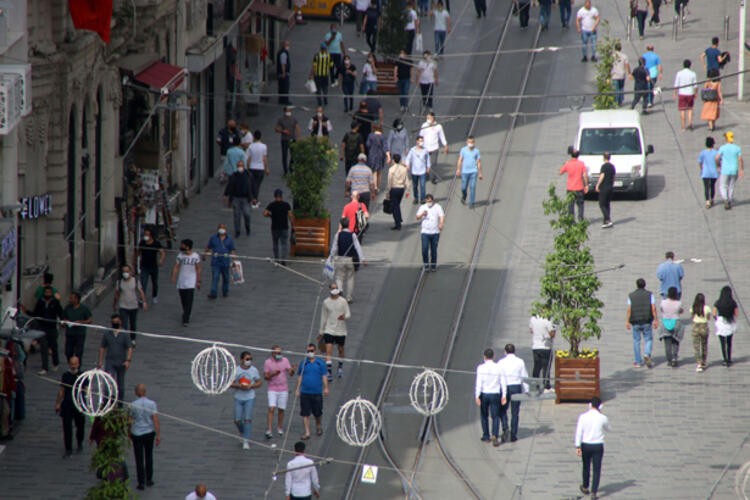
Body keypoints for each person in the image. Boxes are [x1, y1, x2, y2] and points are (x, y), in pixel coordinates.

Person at [575, 396, 611, 500]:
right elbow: (609, 428)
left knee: (586, 466)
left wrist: (577, 446)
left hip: (585, 444)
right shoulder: (602, 417)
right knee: (597, 468)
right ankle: (594, 492)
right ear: (600, 406)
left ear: (590, 405)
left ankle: (585, 486)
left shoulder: (583, 417)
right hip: (598, 445)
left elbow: (579, 432)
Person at [97, 314, 133, 406]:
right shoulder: (107, 333)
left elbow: (129, 348)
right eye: (113, 322)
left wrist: (128, 360)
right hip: (110, 361)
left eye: (117, 322)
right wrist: (100, 361)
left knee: (120, 384)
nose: (115, 324)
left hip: (121, 362)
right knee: (108, 382)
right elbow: (102, 347)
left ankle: (120, 403)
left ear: (120, 322)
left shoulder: (125, 334)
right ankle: (107, 402)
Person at [130, 384, 160, 490]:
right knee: (149, 455)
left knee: (139, 458)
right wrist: (158, 435)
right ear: (145, 392)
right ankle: (149, 479)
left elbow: (129, 420)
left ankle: (141, 482)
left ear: (137, 393)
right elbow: (155, 419)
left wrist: (128, 432)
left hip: (137, 433)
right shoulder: (152, 404)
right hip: (149, 432)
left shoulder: (133, 405)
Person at [496, 343, 529, 443]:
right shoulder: (520, 361)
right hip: (516, 387)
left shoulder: (500, 362)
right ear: (514, 351)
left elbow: (497, 376)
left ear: (505, 352)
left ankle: (505, 427)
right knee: (515, 412)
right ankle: (513, 435)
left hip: (505, 387)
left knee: (502, 409)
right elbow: (525, 377)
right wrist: (526, 390)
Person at [296, 343, 329, 440]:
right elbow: (300, 376)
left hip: (317, 392)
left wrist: (326, 387)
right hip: (305, 392)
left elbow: (324, 376)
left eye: (312, 351)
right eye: (308, 351)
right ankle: (307, 432)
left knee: (317, 412)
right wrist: (298, 389)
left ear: (315, 351)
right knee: (305, 413)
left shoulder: (320, 363)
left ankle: (318, 425)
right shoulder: (303, 363)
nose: (310, 353)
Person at [319, 283, 351, 381]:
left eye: (336, 288)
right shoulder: (326, 302)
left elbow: (348, 313)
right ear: (329, 289)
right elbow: (323, 317)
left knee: (340, 350)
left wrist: (344, 317)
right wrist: (321, 331)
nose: (334, 290)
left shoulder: (343, 301)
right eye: (333, 288)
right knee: (329, 351)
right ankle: (329, 372)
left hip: (340, 330)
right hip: (329, 329)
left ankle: (340, 366)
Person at [475, 348, 506, 447]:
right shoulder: (499, 367)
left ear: (484, 357)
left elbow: (478, 383)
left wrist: (477, 396)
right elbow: (503, 382)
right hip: (495, 394)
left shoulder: (480, 368)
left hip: (484, 394)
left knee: (484, 415)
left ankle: (486, 435)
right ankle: (495, 435)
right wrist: (504, 395)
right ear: (493, 356)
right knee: (495, 416)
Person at [55, 356, 85, 458]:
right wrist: (58, 403)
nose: (73, 366)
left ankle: (79, 442)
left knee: (80, 426)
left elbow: (87, 391)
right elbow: (62, 390)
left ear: (78, 364)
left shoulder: (82, 376)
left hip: (79, 405)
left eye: (75, 364)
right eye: (71, 364)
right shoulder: (65, 375)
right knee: (67, 428)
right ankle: (68, 448)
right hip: (67, 404)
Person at [330, 217, 365, 303]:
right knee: (350, 278)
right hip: (350, 260)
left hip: (340, 259)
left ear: (341, 225)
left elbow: (334, 248)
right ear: (348, 225)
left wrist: (331, 257)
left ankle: (340, 289)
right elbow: (358, 247)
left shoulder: (337, 235)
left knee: (339, 276)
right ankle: (348, 297)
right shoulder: (353, 235)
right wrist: (362, 259)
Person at [231, 351, 262, 449]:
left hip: (249, 397)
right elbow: (230, 383)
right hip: (238, 397)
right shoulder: (236, 370)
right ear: (241, 360)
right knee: (237, 420)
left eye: (250, 359)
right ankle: (242, 431)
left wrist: (251, 386)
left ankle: (246, 440)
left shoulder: (254, 370)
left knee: (247, 419)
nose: (249, 361)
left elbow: (259, 382)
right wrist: (239, 385)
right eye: (247, 359)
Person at [264, 345, 295, 439]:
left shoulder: (285, 360)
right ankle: (269, 429)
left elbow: (290, 373)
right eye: (277, 353)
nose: (279, 354)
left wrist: (292, 370)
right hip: (272, 389)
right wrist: (273, 374)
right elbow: (265, 377)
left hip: (283, 389)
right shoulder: (268, 362)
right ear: (272, 353)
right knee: (271, 408)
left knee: (281, 409)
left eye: (280, 353)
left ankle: (279, 427)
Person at [30, 285, 64, 375]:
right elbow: (35, 314)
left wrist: (62, 321)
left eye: (49, 292)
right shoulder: (40, 302)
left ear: (51, 293)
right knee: (44, 347)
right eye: (46, 292)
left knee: (53, 346)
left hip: (52, 327)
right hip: (42, 327)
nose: (47, 294)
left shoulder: (55, 302)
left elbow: (60, 313)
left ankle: (55, 363)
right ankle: (44, 367)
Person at [626, 278, 658, 368]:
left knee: (636, 341)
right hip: (647, 320)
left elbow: (629, 310)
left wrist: (627, 322)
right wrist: (656, 320)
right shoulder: (650, 295)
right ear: (645, 285)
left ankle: (638, 361)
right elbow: (653, 308)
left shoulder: (631, 295)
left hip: (635, 321)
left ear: (637, 285)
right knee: (648, 339)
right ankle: (647, 353)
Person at [113, 264, 148, 343]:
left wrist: (144, 302)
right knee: (124, 324)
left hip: (133, 306)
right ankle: (125, 339)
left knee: (133, 324)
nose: (125, 273)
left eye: (127, 271)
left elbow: (140, 292)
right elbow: (116, 294)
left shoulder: (135, 281)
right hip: (123, 306)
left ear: (130, 272)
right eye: (124, 271)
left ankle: (132, 339)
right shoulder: (119, 282)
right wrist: (114, 304)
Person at [171, 239, 201, 326]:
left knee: (189, 300)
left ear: (187, 247)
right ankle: (186, 312)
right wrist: (174, 276)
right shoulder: (180, 256)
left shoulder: (195, 256)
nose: (181, 247)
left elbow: (198, 268)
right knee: (183, 299)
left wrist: (198, 280)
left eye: (183, 245)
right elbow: (176, 267)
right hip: (182, 280)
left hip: (191, 281)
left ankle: (185, 318)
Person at [204, 224, 236, 299]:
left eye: (223, 228)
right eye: (220, 228)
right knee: (215, 277)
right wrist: (204, 255)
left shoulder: (229, 239)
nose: (221, 229)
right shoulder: (213, 238)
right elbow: (208, 247)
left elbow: (232, 250)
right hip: (216, 261)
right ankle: (213, 293)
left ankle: (225, 291)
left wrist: (235, 260)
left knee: (226, 277)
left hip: (225, 262)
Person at [264, 189, 293, 266]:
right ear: (281, 196)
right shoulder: (286, 205)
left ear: (274, 196)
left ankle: (277, 259)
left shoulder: (272, 205)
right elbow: (290, 216)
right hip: (284, 227)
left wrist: (270, 215)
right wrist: (293, 224)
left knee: (275, 244)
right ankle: (283, 259)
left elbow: (265, 213)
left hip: (275, 227)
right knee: (284, 244)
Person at [223, 159, 252, 237]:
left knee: (247, 214)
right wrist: (226, 195)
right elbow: (229, 186)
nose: (240, 167)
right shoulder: (234, 175)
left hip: (245, 198)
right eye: (239, 166)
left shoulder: (248, 175)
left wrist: (254, 197)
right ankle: (237, 231)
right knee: (236, 215)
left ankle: (247, 227)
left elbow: (252, 186)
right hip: (236, 198)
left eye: (241, 166)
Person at [715, 131, 744, 209]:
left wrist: (718, 165)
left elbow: (717, 157)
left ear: (726, 138)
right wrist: (741, 169)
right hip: (734, 169)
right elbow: (740, 159)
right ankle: (730, 199)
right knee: (731, 186)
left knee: (722, 186)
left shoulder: (723, 147)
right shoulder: (737, 148)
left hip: (725, 170)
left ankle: (726, 199)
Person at [137, 227, 165, 305]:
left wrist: (161, 260)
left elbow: (162, 252)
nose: (145, 236)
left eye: (147, 234)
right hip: (144, 266)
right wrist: (134, 262)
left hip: (154, 267)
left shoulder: (156, 243)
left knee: (155, 283)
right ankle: (142, 298)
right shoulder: (142, 243)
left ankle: (154, 296)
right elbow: (138, 252)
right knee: (143, 283)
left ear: (151, 236)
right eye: (144, 234)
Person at [416, 194, 444, 272]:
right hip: (425, 232)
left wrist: (441, 223)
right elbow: (417, 217)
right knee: (424, 249)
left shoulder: (438, 207)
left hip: (435, 233)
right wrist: (422, 214)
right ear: (425, 200)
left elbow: (441, 215)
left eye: (430, 201)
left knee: (434, 250)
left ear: (433, 200)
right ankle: (426, 264)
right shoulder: (423, 207)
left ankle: (433, 265)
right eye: (428, 201)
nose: (429, 202)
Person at [62, 291, 93, 363]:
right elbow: (64, 318)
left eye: (71, 298)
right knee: (68, 352)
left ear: (76, 299)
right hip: (70, 333)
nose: (70, 300)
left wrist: (81, 322)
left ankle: (77, 366)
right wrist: (65, 322)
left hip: (80, 333)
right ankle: (71, 363)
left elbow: (90, 320)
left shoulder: (84, 308)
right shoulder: (67, 308)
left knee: (79, 352)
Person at [559, 148, 589, 222]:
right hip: (579, 187)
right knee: (580, 205)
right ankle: (581, 219)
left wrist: (565, 164)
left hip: (570, 188)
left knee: (570, 205)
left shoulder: (568, 163)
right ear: (578, 156)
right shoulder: (581, 164)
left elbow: (560, 172)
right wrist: (586, 185)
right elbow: (585, 175)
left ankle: (572, 221)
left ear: (571, 155)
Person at [529, 315, 555, 393]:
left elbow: (531, 330)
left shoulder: (533, 319)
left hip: (536, 346)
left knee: (537, 366)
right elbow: (552, 334)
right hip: (545, 347)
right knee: (546, 367)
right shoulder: (547, 320)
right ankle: (546, 386)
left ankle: (535, 384)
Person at [713, 285, 738, 367]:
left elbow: (714, 313)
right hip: (730, 322)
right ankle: (729, 359)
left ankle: (724, 359)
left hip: (721, 323)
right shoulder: (733, 302)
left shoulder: (718, 302)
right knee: (729, 342)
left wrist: (716, 319)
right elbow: (736, 314)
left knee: (722, 343)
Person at [659, 286, 684, 368]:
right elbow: (680, 311)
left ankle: (669, 360)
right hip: (676, 323)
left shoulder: (663, 302)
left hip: (665, 322)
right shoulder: (678, 303)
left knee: (667, 343)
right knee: (676, 342)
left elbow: (661, 310)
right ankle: (674, 358)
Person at [386, 153, 412, 230]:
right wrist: (408, 190)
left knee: (395, 206)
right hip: (401, 189)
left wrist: (388, 192)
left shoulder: (391, 169)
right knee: (396, 205)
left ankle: (398, 222)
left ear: (393, 160)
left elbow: (389, 182)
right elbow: (406, 180)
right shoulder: (404, 169)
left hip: (394, 189)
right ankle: (398, 220)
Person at [420, 112, 448, 184]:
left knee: (433, 164)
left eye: (429, 118)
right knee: (425, 164)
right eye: (427, 118)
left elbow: (442, 136)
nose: (428, 119)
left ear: (433, 118)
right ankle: (425, 175)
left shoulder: (438, 126)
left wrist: (445, 145)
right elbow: (420, 136)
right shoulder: (424, 125)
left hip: (434, 148)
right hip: (425, 148)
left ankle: (433, 178)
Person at [456, 136, 482, 208]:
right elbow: (460, 160)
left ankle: (472, 202)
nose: (471, 143)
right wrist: (458, 169)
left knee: (472, 187)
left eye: (472, 142)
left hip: (474, 172)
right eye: (469, 142)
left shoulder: (477, 151)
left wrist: (480, 173)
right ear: (467, 142)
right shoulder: (463, 150)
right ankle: (464, 195)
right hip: (465, 172)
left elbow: (479, 162)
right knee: (463, 187)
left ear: (474, 142)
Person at [275, 106, 301, 176]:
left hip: (292, 139)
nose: (289, 112)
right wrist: (282, 131)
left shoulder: (294, 119)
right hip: (284, 139)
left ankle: (291, 168)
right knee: (284, 155)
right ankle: (285, 170)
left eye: (290, 111)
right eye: (287, 111)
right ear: (284, 111)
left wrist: (298, 137)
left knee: (293, 155)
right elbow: (276, 129)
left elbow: (297, 127)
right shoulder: (281, 119)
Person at [673, 59, 698, 131]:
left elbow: (676, 84)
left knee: (682, 110)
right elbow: (695, 85)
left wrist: (675, 93)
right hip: (690, 93)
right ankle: (690, 123)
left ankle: (683, 126)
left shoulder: (679, 73)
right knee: (690, 109)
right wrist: (695, 93)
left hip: (682, 93)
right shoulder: (693, 73)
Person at [405, 136, 431, 203]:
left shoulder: (425, 150)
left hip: (422, 171)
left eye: (422, 141)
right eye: (420, 141)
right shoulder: (412, 150)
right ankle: (416, 198)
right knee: (415, 186)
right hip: (414, 172)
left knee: (422, 185)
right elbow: (408, 158)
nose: (421, 142)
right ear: (417, 141)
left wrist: (428, 167)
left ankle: (422, 199)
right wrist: (407, 165)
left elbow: (428, 159)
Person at [690, 293, 711, 372]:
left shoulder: (693, 307)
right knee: (704, 345)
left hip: (696, 327)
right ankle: (704, 361)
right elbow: (708, 318)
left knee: (696, 346)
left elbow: (692, 316)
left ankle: (699, 363)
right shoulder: (707, 308)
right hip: (704, 327)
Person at [595, 152, 615, 228]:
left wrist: (597, 185)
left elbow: (602, 176)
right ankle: (605, 222)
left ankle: (608, 219)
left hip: (604, 187)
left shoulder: (604, 166)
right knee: (607, 204)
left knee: (601, 204)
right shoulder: (612, 166)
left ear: (604, 157)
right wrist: (612, 185)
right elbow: (613, 177)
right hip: (610, 187)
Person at [698, 136, 719, 208]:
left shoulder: (702, 153)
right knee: (712, 186)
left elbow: (700, 162)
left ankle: (707, 202)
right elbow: (719, 161)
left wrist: (701, 169)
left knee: (706, 187)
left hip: (705, 172)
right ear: (713, 144)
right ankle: (712, 199)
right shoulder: (716, 152)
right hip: (714, 173)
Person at [366, 125, 387, 190]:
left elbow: (368, 145)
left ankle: (374, 186)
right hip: (380, 155)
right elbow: (385, 147)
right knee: (379, 172)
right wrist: (387, 155)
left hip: (372, 155)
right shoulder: (383, 137)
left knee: (374, 171)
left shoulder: (370, 136)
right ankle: (377, 186)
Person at [611, 42, 630, 107]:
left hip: (614, 75)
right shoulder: (624, 56)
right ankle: (620, 101)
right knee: (621, 88)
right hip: (622, 74)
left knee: (616, 89)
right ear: (620, 48)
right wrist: (629, 73)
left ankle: (616, 101)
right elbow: (627, 65)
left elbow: (609, 65)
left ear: (615, 48)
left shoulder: (612, 56)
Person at [277, 40, 292, 105]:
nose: (288, 46)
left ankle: (281, 100)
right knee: (285, 87)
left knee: (281, 87)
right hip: (283, 74)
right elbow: (283, 64)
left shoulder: (281, 52)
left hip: (281, 73)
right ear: (284, 45)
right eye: (287, 45)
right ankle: (285, 100)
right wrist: (284, 73)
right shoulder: (283, 53)